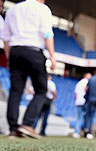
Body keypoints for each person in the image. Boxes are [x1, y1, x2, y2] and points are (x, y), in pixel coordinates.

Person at [3, 0, 56, 139]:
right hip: (34, 51)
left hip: (15, 51)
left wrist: (9, 57)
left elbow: (6, 38)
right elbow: (47, 34)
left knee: (15, 92)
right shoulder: (43, 9)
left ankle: (13, 129)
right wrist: (52, 55)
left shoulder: (13, 10)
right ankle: (27, 124)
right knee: (41, 90)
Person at [73, 73, 91, 138]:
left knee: (79, 117)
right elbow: (86, 90)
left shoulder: (78, 83)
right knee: (87, 118)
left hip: (78, 101)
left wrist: (76, 100)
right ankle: (86, 132)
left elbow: (75, 93)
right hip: (85, 101)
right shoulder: (88, 82)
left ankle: (76, 132)